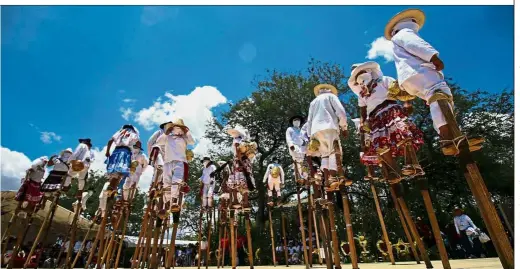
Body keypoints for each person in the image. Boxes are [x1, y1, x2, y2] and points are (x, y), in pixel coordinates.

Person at [385, 8, 483, 155]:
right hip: (420, 71)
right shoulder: (405, 33)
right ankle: (447, 136)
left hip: (410, 78)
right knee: (439, 92)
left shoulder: (395, 41)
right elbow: (416, 44)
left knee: (436, 98)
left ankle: (448, 134)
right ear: (407, 23)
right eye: (413, 21)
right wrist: (433, 57)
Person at [348, 61, 424, 183]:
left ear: (369, 72)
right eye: (357, 76)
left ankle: (412, 163)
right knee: (380, 146)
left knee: (403, 133)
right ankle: (394, 171)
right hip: (375, 118)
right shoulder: (361, 95)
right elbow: (362, 110)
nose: (360, 76)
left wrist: (407, 102)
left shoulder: (383, 80)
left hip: (391, 109)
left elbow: (401, 91)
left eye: (361, 72)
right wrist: (363, 123)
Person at [306, 84, 349, 192]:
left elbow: (309, 120)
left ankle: (326, 181)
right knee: (334, 152)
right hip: (329, 127)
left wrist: (310, 135)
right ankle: (333, 178)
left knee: (325, 155)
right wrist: (344, 127)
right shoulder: (331, 96)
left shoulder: (313, 102)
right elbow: (341, 112)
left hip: (315, 131)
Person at [155, 118, 195, 214]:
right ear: (172, 128)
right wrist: (166, 132)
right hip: (168, 162)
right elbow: (158, 142)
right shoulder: (167, 137)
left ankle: (174, 201)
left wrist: (187, 132)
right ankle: (167, 203)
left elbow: (192, 141)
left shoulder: (184, 138)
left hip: (180, 161)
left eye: (179, 127)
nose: (177, 129)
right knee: (166, 182)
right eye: (175, 127)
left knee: (176, 181)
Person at [99, 124, 140, 216]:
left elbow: (110, 141)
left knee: (114, 171)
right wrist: (134, 154)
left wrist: (107, 151)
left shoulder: (120, 132)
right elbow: (137, 144)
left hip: (115, 151)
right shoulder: (133, 134)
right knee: (121, 172)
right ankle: (113, 189)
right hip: (125, 153)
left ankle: (111, 188)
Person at [227, 125, 257, 210]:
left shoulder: (237, 140)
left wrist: (240, 161)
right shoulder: (244, 141)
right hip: (246, 161)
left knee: (237, 180)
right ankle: (245, 202)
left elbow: (237, 152)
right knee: (246, 180)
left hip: (239, 161)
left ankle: (236, 201)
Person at [286, 115, 308, 183]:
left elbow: (304, 138)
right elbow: (288, 138)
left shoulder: (301, 130)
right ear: (292, 122)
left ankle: (306, 176)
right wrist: (291, 145)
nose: (297, 121)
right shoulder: (289, 129)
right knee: (298, 161)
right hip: (294, 146)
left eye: (298, 120)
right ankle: (299, 176)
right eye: (295, 120)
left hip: (302, 147)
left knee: (304, 162)